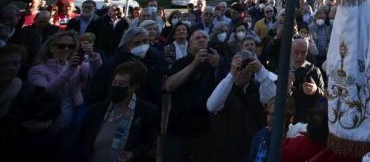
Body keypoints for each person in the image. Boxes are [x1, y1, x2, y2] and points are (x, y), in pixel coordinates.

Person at [76, 61, 158, 162]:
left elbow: (150, 143)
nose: (116, 87)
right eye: (114, 83)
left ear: (134, 87)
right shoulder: (97, 109)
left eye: (122, 84)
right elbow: (81, 140)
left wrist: (134, 154)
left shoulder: (146, 112)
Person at [163, 29, 225, 162]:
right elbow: (169, 86)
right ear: (190, 45)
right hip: (180, 127)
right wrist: (194, 63)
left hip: (207, 128)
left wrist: (219, 66)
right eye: (197, 38)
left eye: (205, 37)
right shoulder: (181, 62)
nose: (202, 40)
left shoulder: (218, 61)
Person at [206, 51, 273, 161]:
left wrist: (261, 70)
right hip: (225, 153)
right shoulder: (225, 86)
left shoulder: (259, 88)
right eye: (239, 66)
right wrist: (232, 74)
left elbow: (274, 101)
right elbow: (211, 106)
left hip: (253, 153)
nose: (243, 71)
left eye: (247, 66)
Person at [28, 30, 97, 132]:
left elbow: (95, 74)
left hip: (75, 115)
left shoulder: (77, 65)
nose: (66, 49)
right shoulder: (37, 70)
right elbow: (47, 91)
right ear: (51, 48)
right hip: (48, 121)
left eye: (71, 46)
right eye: (61, 46)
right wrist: (70, 69)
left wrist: (92, 56)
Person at [88, 27, 165, 108]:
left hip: (149, 111)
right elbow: (97, 92)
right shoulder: (113, 65)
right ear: (127, 46)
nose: (142, 45)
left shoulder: (157, 60)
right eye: (136, 43)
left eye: (145, 41)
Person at [288, 37, 324, 123]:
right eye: (296, 52)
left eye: (303, 53)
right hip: (286, 121)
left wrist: (316, 91)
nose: (299, 56)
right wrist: (286, 87)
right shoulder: (281, 71)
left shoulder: (315, 71)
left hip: (307, 121)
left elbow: (323, 99)